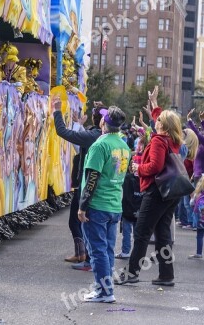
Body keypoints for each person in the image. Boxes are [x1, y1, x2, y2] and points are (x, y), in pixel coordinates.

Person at [116, 86, 182, 287]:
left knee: (142, 232)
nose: (156, 121)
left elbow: (155, 166)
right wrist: (155, 104)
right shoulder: (173, 139)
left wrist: (138, 168)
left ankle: (132, 272)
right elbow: (160, 119)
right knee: (162, 233)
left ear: (163, 126)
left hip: (156, 191)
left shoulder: (158, 141)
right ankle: (166, 274)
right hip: (171, 191)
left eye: (158, 121)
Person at [77, 106, 130, 303]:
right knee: (107, 250)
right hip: (114, 205)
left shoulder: (100, 146)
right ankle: (106, 290)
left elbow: (92, 177)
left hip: (97, 205)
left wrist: (82, 206)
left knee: (97, 251)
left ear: (104, 123)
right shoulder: (124, 146)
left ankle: (104, 292)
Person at [51, 97, 104, 268]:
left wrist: (57, 110)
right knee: (96, 227)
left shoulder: (93, 136)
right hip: (103, 188)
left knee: (79, 220)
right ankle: (85, 255)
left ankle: (86, 257)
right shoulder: (111, 139)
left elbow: (62, 131)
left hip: (86, 185)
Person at [116, 151, 143, 259]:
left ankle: (125, 251)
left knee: (126, 233)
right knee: (138, 234)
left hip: (127, 211)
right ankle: (137, 253)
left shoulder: (127, 178)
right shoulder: (144, 179)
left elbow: (126, 196)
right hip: (140, 210)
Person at [189, 177, 204, 259]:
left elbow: (191, 204)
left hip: (200, 221)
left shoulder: (198, 194)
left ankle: (199, 253)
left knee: (199, 235)